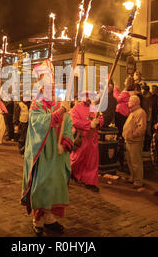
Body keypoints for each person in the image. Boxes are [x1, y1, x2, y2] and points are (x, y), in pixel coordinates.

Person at [21, 59, 73, 237]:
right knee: (41, 184)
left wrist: (65, 140)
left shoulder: (60, 104)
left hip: (57, 153)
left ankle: (49, 217)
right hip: (42, 152)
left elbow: (68, 123)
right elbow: (39, 123)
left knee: (55, 184)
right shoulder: (37, 105)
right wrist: (59, 113)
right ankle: (38, 219)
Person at [70, 91, 103, 192]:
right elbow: (75, 121)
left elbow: (101, 118)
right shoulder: (76, 108)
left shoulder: (94, 107)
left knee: (92, 162)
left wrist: (98, 122)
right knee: (77, 159)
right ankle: (72, 173)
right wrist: (89, 124)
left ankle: (90, 182)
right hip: (82, 138)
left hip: (92, 139)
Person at [122, 95, 147, 190]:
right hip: (129, 141)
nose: (128, 102)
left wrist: (132, 135)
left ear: (136, 102)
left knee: (136, 161)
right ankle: (133, 177)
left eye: (130, 101)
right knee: (130, 160)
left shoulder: (140, 113)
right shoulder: (133, 112)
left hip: (135, 141)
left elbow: (141, 128)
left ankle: (138, 181)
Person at [141, 84, 153, 151]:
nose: (141, 91)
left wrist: (148, 117)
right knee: (147, 132)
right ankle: (147, 146)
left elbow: (149, 108)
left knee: (147, 132)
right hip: (148, 117)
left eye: (142, 89)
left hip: (147, 117)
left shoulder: (147, 97)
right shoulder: (149, 96)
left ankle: (146, 147)